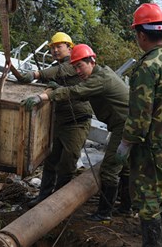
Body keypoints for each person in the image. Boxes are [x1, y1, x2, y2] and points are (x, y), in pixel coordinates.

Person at [22, 43, 130, 222]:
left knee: (110, 169)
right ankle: (126, 207)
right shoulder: (99, 76)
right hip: (125, 124)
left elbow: (77, 91)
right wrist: (58, 89)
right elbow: (81, 93)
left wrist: (43, 96)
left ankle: (105, 213)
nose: (78, 70)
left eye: (80, 65)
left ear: (91, 61)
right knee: (124, 166)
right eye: (75, 67)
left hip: (124, 126)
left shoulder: (100, 78)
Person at [116, 3, 162, 247]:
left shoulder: (146, 67)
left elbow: (139, 117)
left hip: (151, 147)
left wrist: (126, 143)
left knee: (148, 201)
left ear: (141, 34)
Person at [19, 32, 93, 207]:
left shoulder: (74, 64)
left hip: (77, 123)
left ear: (70, 47)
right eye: (52, 47)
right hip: (60, 122)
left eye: (58, 46)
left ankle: (58, 204)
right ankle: (44, 198)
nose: (54, 50)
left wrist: (35, 74)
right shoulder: (58, 67)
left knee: (67, 164)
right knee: (51, 161)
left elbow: (60, 71)